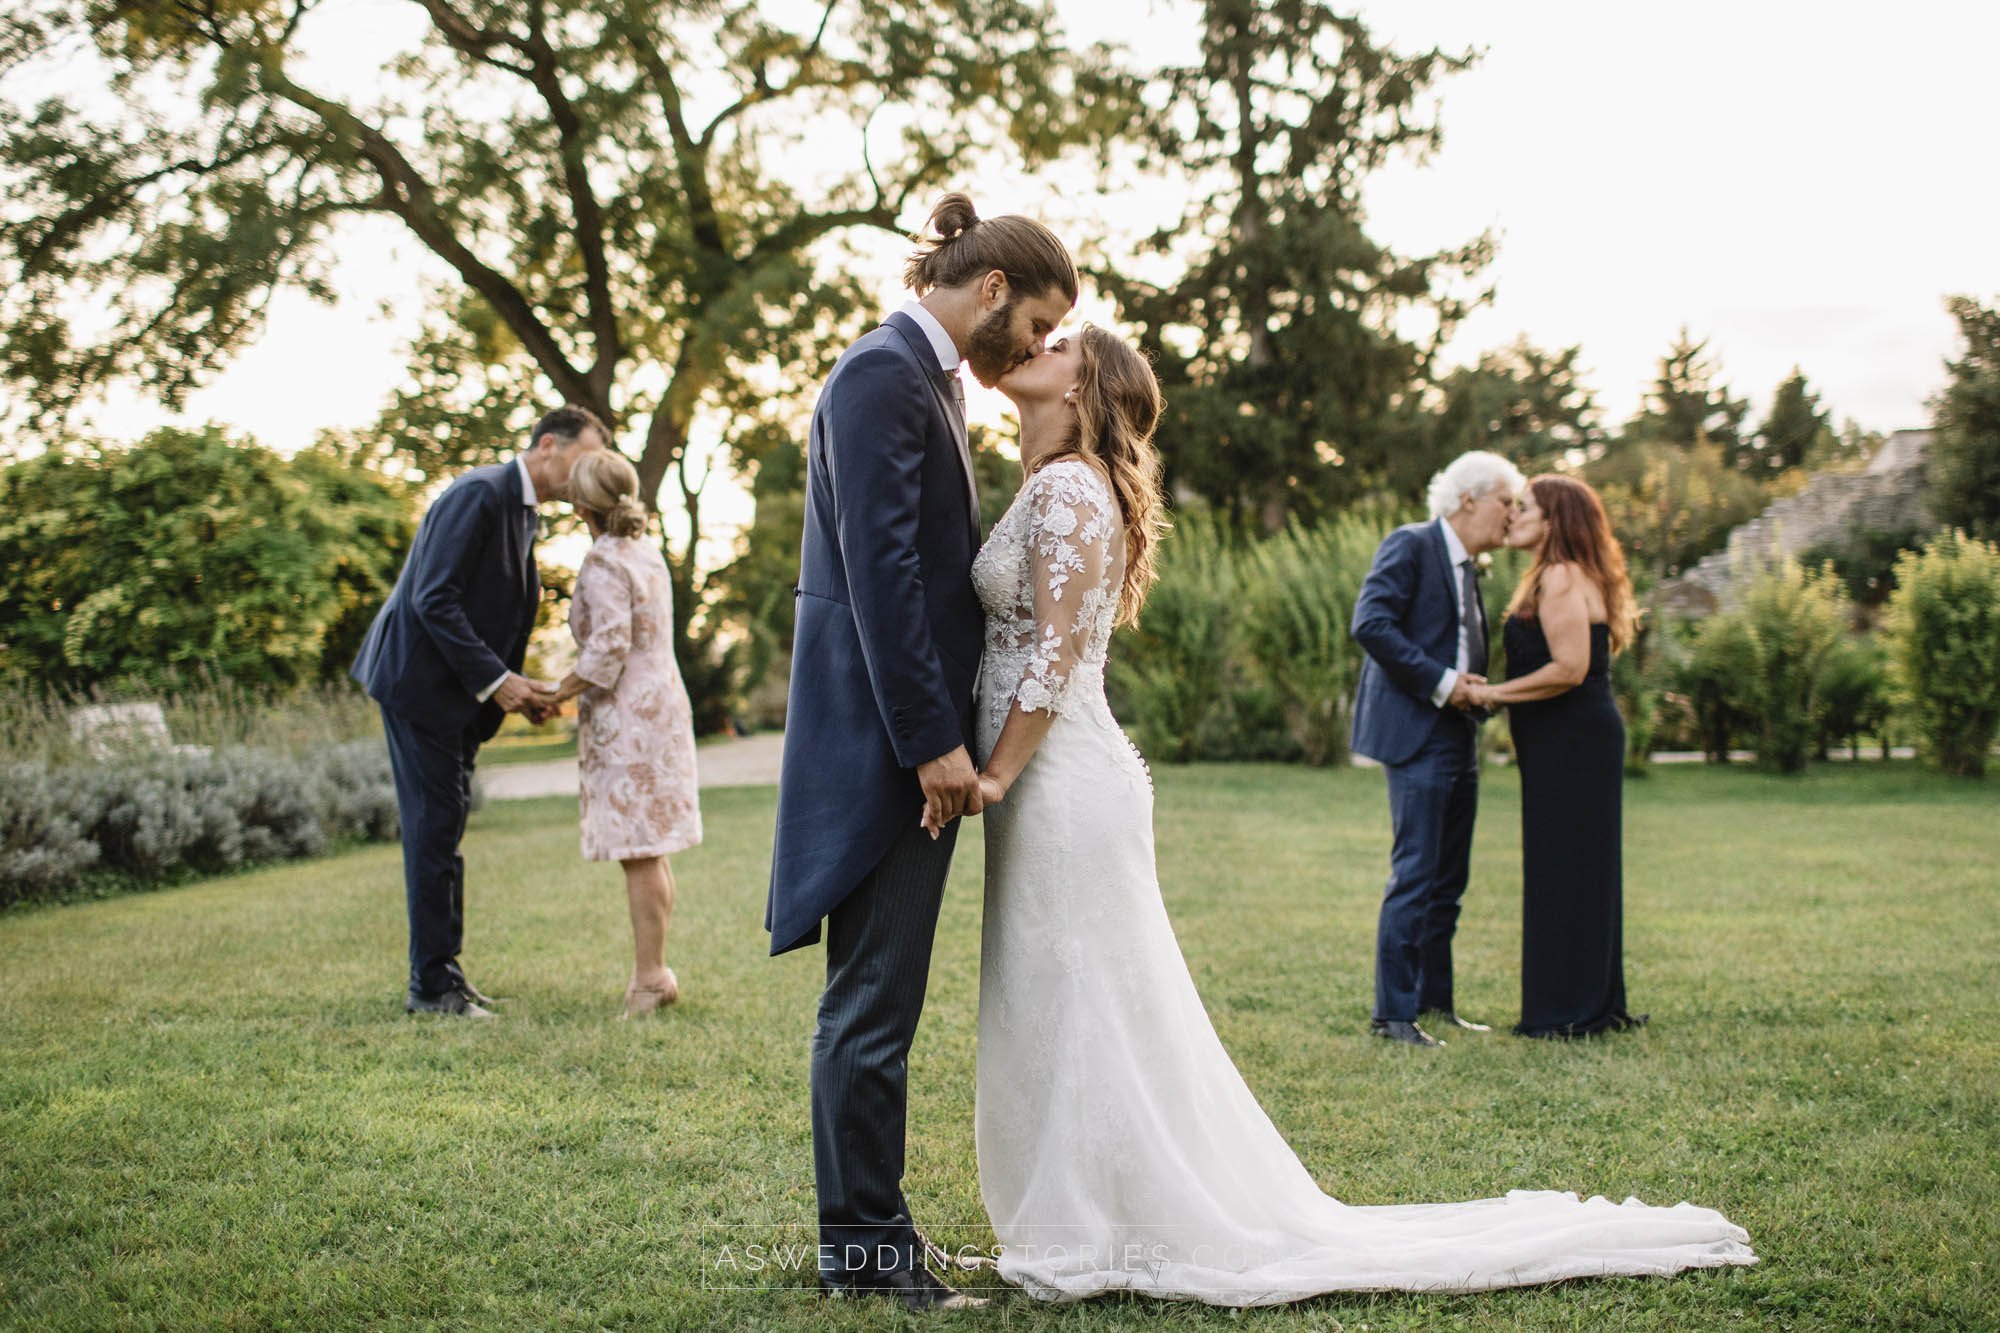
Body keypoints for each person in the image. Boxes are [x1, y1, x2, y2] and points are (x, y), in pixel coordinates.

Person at [969, 324, 1756, 1305]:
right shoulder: (1067, 486)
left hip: (1059, 771)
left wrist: (989, 772)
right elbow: (1370, 626)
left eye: (1059, 342)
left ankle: (1124, 1200)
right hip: (1094, 768)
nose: (1033, 344)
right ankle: (1097, 1198)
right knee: (1093, 991)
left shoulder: (1071, 488)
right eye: (1497, 500)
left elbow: (1049, 654)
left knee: (1118, 986)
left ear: (1084, 384)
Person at [763, 192, 1078, 1313]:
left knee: (880, 999)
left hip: (907, 744)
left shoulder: (925, 379)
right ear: (990, 288)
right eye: (1036, 326)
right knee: (872, 1002)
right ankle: (864, 1251)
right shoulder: (881, 375)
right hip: (890, 751)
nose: (1037, 350)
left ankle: (876, 1231)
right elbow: (881, 576)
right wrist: (935, 745)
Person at [352, 405, 607, 1017]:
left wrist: (516, 688)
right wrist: (496, 682)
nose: (590, 470)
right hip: (418, 687)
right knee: (434, 829)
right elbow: (432, 597)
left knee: (445, 827)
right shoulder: (479, 493)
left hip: (455, 695)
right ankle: (432, 988)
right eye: (585, 456)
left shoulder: (523, 514)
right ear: (548, 446)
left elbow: (493, 611)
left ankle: (443, 974)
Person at [1348, 451, 1523, 1047]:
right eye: (1507, 502)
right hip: (1417, 733)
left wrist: (1474, 689)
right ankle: (1393, 1016)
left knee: (1450, 879)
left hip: (1459, 733)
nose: (1513, 515)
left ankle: (1434, 1002)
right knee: (1416, 874)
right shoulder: (1411, 543)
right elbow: (1371, 624)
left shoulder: (1473, 566)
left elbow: (1461, 642)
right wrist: (1446, 684)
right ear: (1468, 499)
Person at [1467, 475, 1647, 1038]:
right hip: (1561, 739)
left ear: (1554, 522)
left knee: (1569, 867)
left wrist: (1492, 694)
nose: (1514, 517)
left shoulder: (1563, 576)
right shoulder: (1555, 575)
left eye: (1527, 509)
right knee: (1568, 866)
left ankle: (1570, 1007)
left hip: (1575, 739)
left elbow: (1569, 669)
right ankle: (1583, 1000)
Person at [540, 449, 702, 1019]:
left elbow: (608, 646)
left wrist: (556, 692)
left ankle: (650, 978)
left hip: (630, 717)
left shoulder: (604, 562)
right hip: (660, 705)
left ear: (580, 504)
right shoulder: (646, 552)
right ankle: (656, 972)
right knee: (649, 849)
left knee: (638, 849)